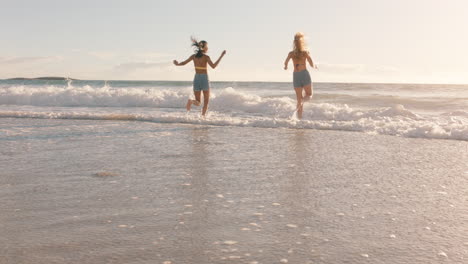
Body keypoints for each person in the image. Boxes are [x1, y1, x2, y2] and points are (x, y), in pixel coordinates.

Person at [173, 37, 226, 116]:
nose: (207, 48)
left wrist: (177, 64)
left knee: (198, 102)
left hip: (197, 78)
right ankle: (203, 118)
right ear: (204, 48)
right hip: (204, 78)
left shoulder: (193, 57)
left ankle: (191, 101)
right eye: (207, 46)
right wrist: (221, 56)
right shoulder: (206, 57)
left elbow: (183, 63)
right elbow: (213, 66)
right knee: (206, 102)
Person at [284, 32, 317, 119]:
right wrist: (315, 66)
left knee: (299, 99)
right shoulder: (305, 53)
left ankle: (299, 118)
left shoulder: (291, 53)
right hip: (304, 74)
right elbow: (311, 63)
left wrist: (286, 66)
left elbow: (286, 63)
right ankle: (301, 105)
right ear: (303, 42)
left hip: (296, 75)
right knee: (309, 95)